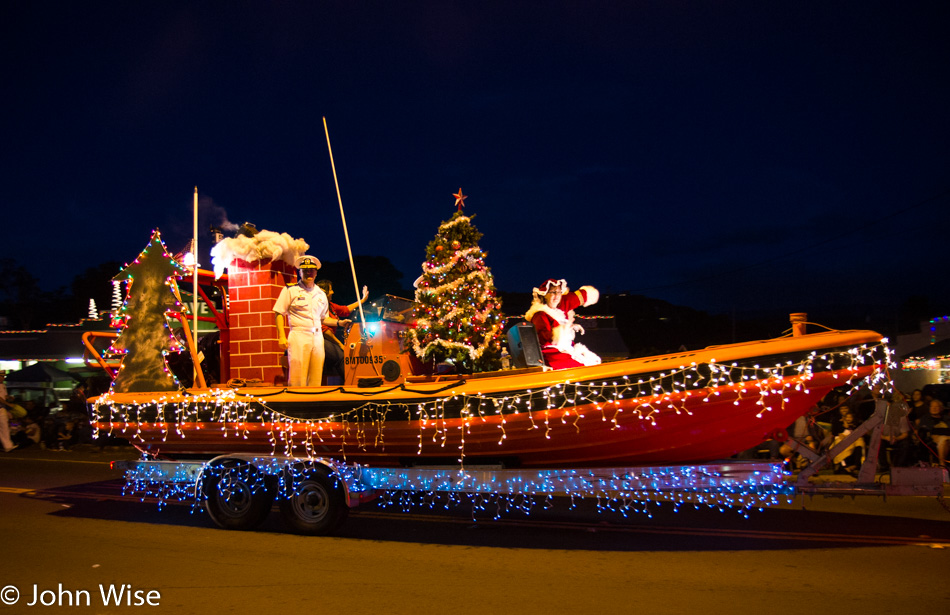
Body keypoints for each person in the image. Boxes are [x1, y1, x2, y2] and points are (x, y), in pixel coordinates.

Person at [273, 255, 351, 387]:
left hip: (317, 336)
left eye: (311, 270)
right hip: (299, 335)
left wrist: (339, 323)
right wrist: (281, 336)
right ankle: (297, 404)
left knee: (316, 375)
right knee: (298, 376)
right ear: (300, 272)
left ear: (316, 272)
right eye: (305, 270)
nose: (309, 273)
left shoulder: (320, 294)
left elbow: (323, 318)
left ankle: (312, 403)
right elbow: (279, 312)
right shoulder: (290, 290)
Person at [524, 278, 601, 370]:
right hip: (551, 354)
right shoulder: (539, 314)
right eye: (553, 292)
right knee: (581, 366)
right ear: (545, 295)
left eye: (559, 292)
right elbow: (544, 339)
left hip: (564, 349)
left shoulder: (558, 312)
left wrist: (571, 327)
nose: (557, 296)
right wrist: (564, 329)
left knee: (593, 360)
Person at [315, 280, 369, 384]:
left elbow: (345, 310)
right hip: (321, 339)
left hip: (329, 340)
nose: (333, 292)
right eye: (330, 290)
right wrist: (340, 344)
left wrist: (362, 301)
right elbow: (325, 331)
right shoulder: (318, 306)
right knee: (341, 356)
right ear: (324, 292)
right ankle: (350, 382)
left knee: (343, 354)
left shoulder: (330, 305)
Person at [916, 398, 950, 467]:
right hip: (932, 440)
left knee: (944, 440)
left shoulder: (947, 418)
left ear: (941, 408)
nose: (934, 408)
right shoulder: (925, 419)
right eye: (932, 406)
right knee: (943, 440)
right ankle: (942, 464)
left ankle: (942, 464)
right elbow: (923, 431)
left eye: (936, 407)